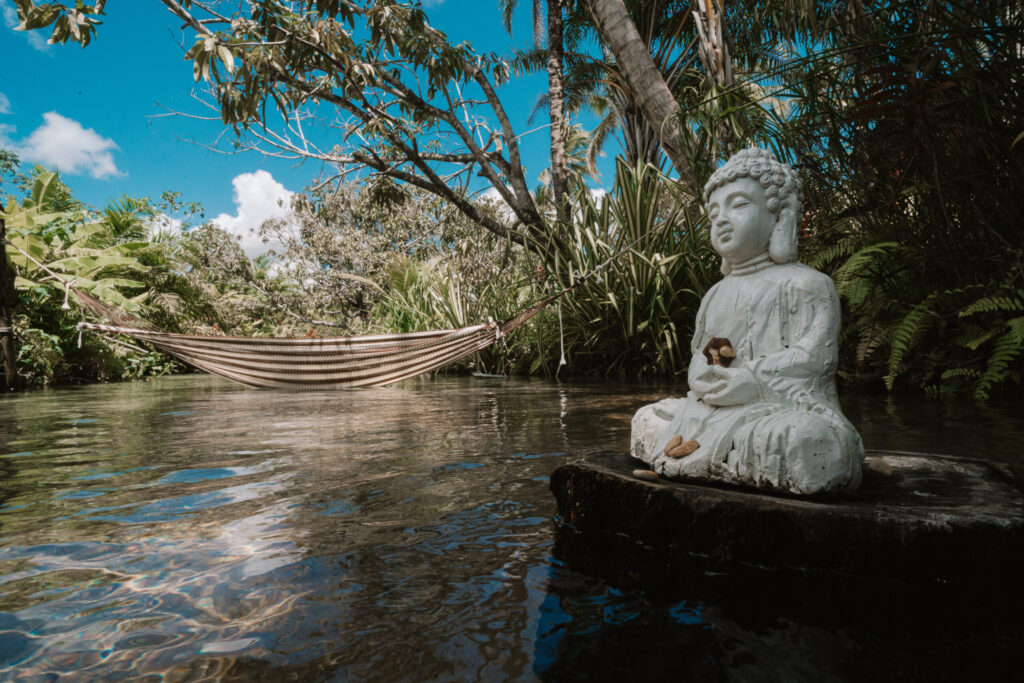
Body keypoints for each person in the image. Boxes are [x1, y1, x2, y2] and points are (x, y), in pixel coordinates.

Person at [630, 148, 863, 495]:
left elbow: (817, 360)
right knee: (647, 418)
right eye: (714, 212)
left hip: (777, 406)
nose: (721, 219)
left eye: (738, 205)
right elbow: (703, 351)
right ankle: (706, 451)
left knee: (805, 438)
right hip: (710, 408)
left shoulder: (809, 285)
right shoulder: (715, 295)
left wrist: (752, 379)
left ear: (780, 215)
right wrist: (701, 375)